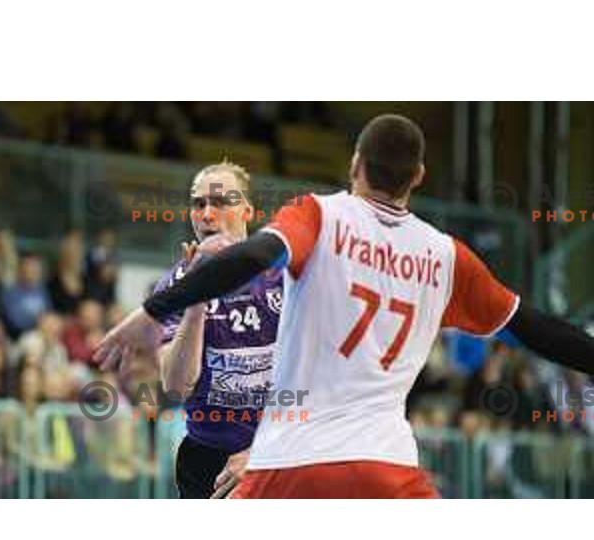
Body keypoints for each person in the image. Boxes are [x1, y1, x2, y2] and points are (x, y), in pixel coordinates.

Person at [95, 114, 594, 499]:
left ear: (355, 163)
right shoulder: (447, 256)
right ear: (418, 175)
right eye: (198, 202)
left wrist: (152, 310)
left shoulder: (319, 217)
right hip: (388, 466)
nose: (207, 213)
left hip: (288, 460)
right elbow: (536, 329)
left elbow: (255, 255)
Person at [152, 161, 282, 499]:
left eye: (221, 202)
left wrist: (261, 455)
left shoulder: (286, 278)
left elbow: (318, 379)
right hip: (206, 463)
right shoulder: (172, 286)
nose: (207, 214)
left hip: (280, 452)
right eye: (198, 204)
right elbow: (177, 387)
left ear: (247, 211)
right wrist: (198, 296)